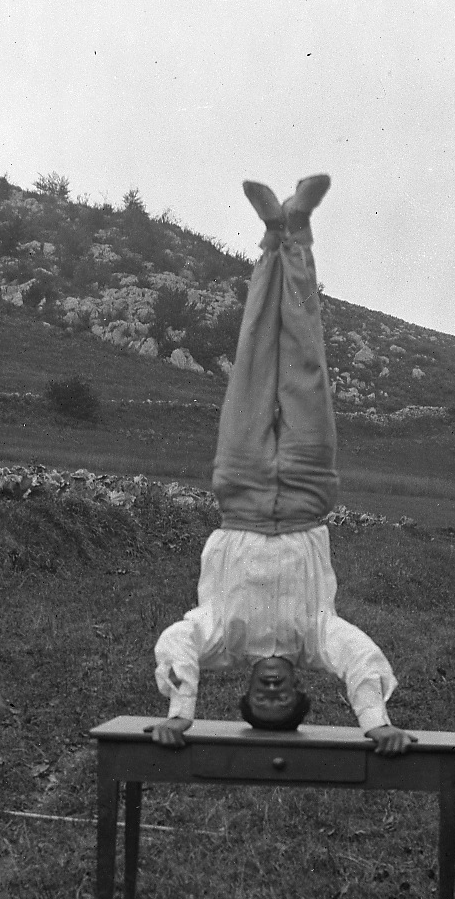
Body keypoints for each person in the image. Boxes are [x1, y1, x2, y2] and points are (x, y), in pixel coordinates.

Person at [151, 175, 410, 754]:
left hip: (239, 495)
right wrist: (376, 722)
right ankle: (298, 235)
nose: (271, 689)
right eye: (282, 698)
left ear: (243, 689)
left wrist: (181, 710)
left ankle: (271, 238)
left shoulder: (220, 642)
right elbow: (359, 660)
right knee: (305, 368)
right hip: (306, 497)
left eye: (261, 698)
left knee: (251, 360)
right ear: (300, 690)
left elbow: (176, 642)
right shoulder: (317, 640)